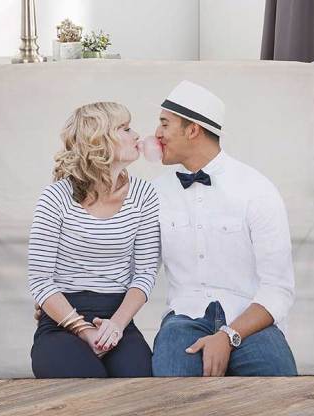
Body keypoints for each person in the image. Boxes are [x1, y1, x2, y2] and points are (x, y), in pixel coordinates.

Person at [151, 80, 298, 377]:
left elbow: (278, 287)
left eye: (165, 124)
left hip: (251, 321)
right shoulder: (154, 194)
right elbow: (136, 270)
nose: (156, 134)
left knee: (281, 390)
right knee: (172, 394)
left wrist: (228, 335)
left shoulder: (257, 189)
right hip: (183, 320)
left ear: (193, 130)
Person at [28, 102, 160, 378]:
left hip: (118, 319)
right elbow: (40, 280)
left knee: (139, 384)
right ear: (98, 140)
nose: (137, 135)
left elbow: (145, 272)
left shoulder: (145, 196)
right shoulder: (55, 198)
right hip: (62, 321)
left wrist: (117, 325)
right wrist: (84, 330)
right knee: (86, 384)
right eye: (125, 128)